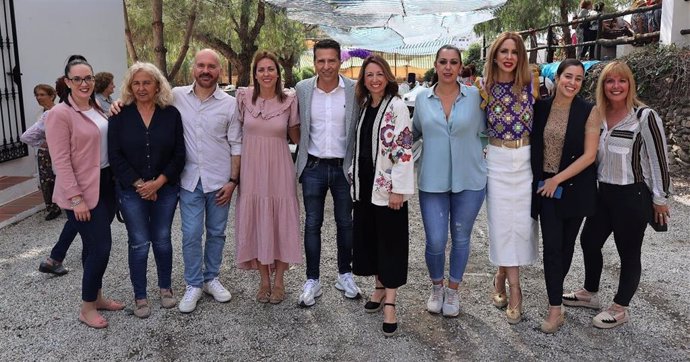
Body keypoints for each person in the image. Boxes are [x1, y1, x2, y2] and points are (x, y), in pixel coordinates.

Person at [563, 60, 671, 329]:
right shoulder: (597, 114)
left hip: (632, 195)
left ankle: (621, 307)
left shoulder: (644, 116)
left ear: (629, 84)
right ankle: (590, 293)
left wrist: (660, 198)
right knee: (589, 241)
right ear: (603, 86)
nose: (616, 86)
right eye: (610, 81)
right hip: (603, 193)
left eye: (621, 81)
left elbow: (659, 160)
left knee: (629, 252)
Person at [45, 56, 123, 328]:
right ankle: (87, 307)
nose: (84, 83)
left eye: (88, 77)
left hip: (105, 185)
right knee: (101, 246)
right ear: (67, 82)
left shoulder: (98, 108)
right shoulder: (59, 115)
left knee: (93, 247)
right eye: (77, 78)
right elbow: (61, 162)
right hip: (78, 190)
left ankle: (97, 296)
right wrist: (76, 199)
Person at [108, 62, 185, 318]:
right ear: (130, 86)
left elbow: (179, 155)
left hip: (165, 188)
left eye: (147, 83)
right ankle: (140, 295)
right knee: (139, 243)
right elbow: (115, 156)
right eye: (136, 83)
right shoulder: (120, 115)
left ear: (157, 85)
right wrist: (141, 185)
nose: (141, 88)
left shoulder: (171, 114)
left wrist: (158, 183)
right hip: (132, 191)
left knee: (162, 239)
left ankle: (165, 288)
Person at [414, 46, 487, 318]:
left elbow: (491, 128)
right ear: (435, 64)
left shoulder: (476, 97)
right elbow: (413, 133)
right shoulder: (422, 99)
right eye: (443, 62)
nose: (447, 67)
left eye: (453, 62)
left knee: (461, 237)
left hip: (470, 179)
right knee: (434, 240)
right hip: (432, 181)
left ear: (460, 67)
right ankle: (437, 287)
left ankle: (454, 289)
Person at [530, 59, 600, 333]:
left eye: (578, 79)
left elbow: (590, 155)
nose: (572, 83)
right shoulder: (541, 108)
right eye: (568, 76)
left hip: (575, 188)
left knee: (566, 247)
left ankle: (555, 293)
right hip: (546, 189)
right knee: (552, 248)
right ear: (557, 78)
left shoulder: (588, 111)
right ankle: (554, 309)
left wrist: (556, 179)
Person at [477, 32, 540, 324]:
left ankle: (501, 274)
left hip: (525, 158)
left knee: (522, 224)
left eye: (514, 52)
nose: (509, 57)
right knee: (502, 224)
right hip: (497, 159)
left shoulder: (531, 82)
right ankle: (516, 290)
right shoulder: (483, 86)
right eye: (503, 51)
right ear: (495, 55)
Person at [295, 39, 362, 307]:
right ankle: (313, 279)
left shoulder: (354, 90)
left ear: (340, 61)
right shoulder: (302, 89)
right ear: (314, 62)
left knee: (346, 223)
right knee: (313, 223)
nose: (326, 66)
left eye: (331, 60)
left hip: (344, 167)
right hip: (313, 167)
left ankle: (344, 274)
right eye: (321, 61)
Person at [351, 55, 414, 336]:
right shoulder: (366, 106)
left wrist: (399, 189)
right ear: (363, 80)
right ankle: (377, 288)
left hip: (388, 187)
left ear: (387, 77)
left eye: (379, 74)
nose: (374, 79)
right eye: (369, 75)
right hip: (365, 184)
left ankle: (390, 302)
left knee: (390, 243)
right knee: (372, 239)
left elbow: (403, 150)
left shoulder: (397, 106)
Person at [234, 51, 301, 305]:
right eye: (261, 69)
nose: (266, 74)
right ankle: (263, 279)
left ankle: (280, 280)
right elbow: (233, 134)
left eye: (270, 69)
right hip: (251, 169)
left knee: (281, 218)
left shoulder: (289, 101)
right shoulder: (242, 98)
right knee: (257, 218)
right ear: (255, 73)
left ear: (278, 72)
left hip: (280, 168)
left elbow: (296, 135)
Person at [33, 76, 80, 276]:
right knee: (77, 220)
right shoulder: (59, 114)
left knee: (79, 220)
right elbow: (61, 155)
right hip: (72, 180)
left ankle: (58, 257)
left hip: (74, 179)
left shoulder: (70, 112)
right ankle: (55, 258)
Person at [21, 84, 60, 221]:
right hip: (46, 152)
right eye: (37, 95)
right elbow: (31, 135)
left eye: (42, 94)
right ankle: (53, 207)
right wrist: (41, 143)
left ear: (51, 96)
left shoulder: (58, 110)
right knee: (47, 180)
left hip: (60, 150)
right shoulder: (40, 114)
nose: (39, 97)